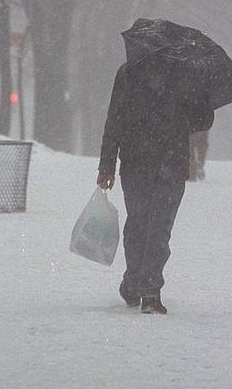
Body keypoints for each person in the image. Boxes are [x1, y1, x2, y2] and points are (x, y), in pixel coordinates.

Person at [97, 18, 215, 315]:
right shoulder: (184, 76)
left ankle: (135, 283)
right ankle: (148, 290)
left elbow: (114, 122)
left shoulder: (126, 75)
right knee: (159, 226)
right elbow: (202, 122)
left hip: (136, 162)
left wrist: (107, 165)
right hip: (171, 162)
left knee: (139, 222)